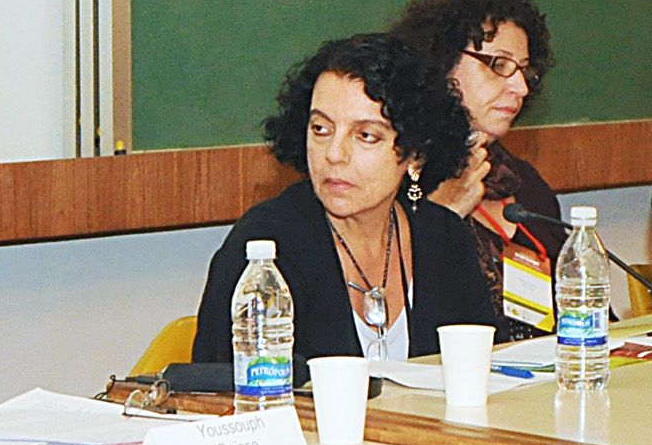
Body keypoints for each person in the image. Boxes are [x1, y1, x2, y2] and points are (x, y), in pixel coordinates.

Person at [193, 33, 494, 367]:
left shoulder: (445, 238)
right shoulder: (265, 248)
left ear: (416, 155)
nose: (334, 154)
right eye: (321, 129)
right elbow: (222, 397)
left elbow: (486, 375)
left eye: (365, 135)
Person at [388, 0, 566, 340]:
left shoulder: (524, 184)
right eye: (499, 64)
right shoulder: (393, 180)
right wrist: (443, 214)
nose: (519, 86)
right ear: (440, 63)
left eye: (525, 70)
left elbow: (586, 311)